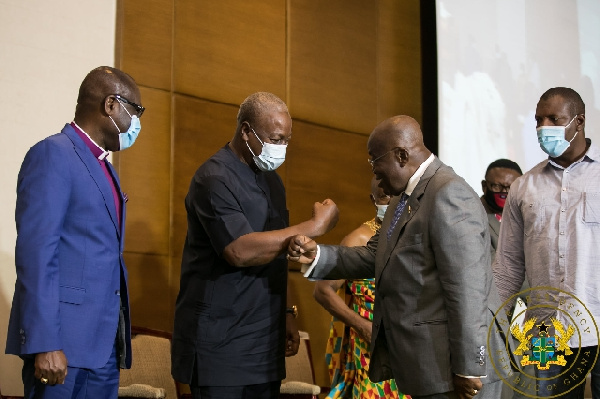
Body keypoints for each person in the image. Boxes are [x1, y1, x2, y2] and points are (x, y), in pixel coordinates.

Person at [288, 115, 505, 399]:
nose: (376, 176)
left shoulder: (449, 193)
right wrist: (317, 254)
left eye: (376, 163)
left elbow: (468, 289)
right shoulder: (404, 200)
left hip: (457, 372)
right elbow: (372, 255)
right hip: (430, 369)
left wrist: (469, 367)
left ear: (401, 155)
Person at [171, 92, 339, 399]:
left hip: (264, 341)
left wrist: (288, 311)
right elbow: (238, 250)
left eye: (287, 140)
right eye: (275, 138)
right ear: (246, 131)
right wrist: (315, 226)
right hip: (219, 344)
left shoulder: (272, 181)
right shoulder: (213, 178)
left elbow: (279, 249)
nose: (281, 148)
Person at [5, 66, 144, 398]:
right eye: (135, 111)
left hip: (103, 349)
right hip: (61, 347)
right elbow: (37, 255)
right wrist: (45, 342)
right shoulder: (53, 154)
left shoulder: (106, 168)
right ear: (111, 105)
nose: (137, 124)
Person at [493, 87, 600, 398]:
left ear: (578, 122)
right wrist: (498, 325)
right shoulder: (522, 187)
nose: (543, 127)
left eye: (555, 119)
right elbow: (508, 266)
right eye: (539, 120)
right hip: (544, 329)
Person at [314, 177, 406, 399]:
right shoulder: (359, 239)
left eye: (397, 195)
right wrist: (363, 326)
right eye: (385, 196)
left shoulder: (413, 236)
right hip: (370, 347)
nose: (392, 201)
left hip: (407, 345)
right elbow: (322, 290)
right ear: (373, 200)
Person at [479, 159, 522, 261]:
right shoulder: (472, 216)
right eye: (497, 186)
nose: (504, 192)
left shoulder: (525, 215)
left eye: (512, 187)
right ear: (484, 186)